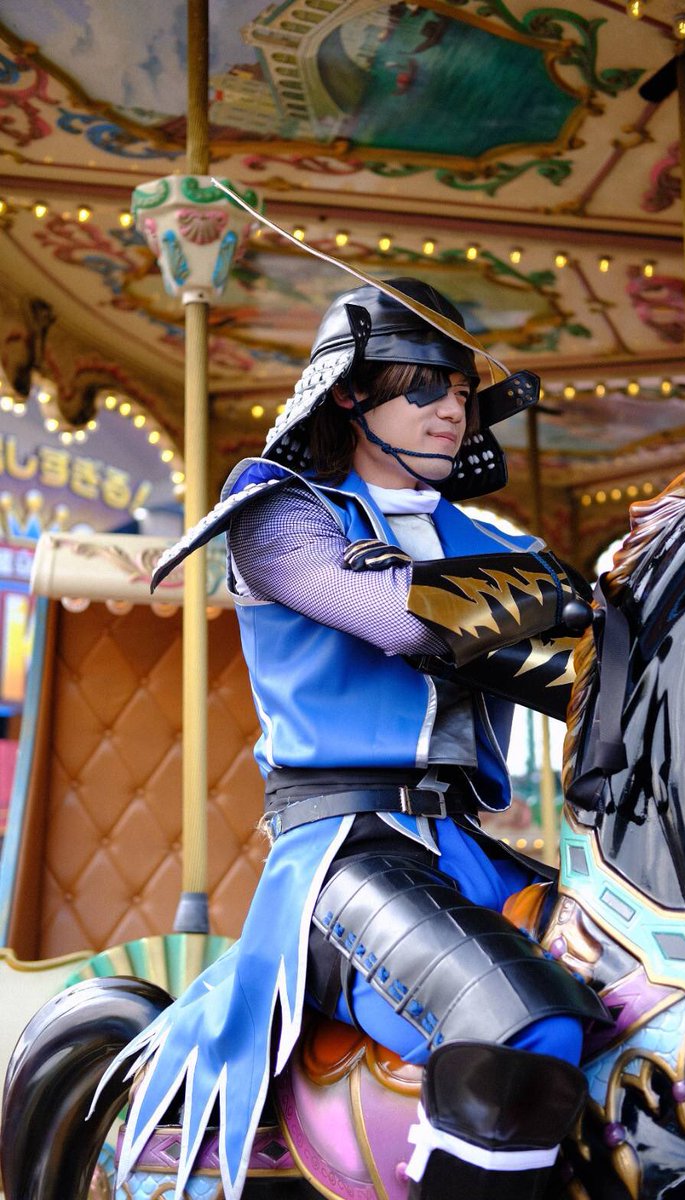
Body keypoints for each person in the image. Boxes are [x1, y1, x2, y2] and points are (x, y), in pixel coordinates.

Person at [112, 277, 608, 1200]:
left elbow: (582, 681)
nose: (452, 410)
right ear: (349, 392)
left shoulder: (481, 539)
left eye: (461, 391)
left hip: (466, 846)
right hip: (344, 850)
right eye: (424, 387)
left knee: (641, 990)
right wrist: (551, 589)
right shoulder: (281, 515)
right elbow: (399, 621)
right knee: (522, 1020)